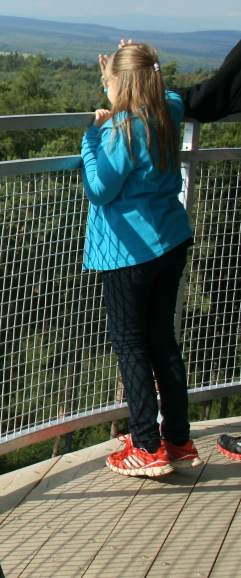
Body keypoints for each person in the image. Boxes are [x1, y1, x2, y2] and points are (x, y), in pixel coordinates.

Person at [82, 42, 202, 477]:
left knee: (131, 344)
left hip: (128, 253)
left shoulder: (123, 132)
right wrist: (117, 69)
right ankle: (178, 439)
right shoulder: (167, 109)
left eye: (111, 81)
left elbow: (100, 189)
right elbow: (163, 92)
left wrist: (91, 136)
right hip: (171, 242)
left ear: (123, 83)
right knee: (162, 342)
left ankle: (146, 446)